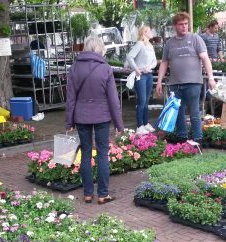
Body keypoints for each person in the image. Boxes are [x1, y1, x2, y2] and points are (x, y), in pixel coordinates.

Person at [65, 36, 124, 205]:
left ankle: (88, 193)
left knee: (85, 153)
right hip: (102, 116)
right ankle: (103, 194)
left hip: (81, 116)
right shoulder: (105, 69)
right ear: (100, 49)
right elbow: (113, 99)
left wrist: (69, 122)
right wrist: (119, 123)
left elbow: (70, 98)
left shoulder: (75, 68)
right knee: (102, 155)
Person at [155, 12, 216, 143]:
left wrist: (211, 77)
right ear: (175, 26)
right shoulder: (169, 43)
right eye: (181, 24)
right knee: (177, 113)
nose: (184, 26)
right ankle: (182, 139)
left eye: (186, 24)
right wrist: (159, 81)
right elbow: (164, 63)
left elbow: (205, 59)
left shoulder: (196, 39)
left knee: (194, 113)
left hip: (193, 83)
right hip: (175, 84)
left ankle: (198, 139)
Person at [126, 25, 157, 135]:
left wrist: (150, 67)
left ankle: (145, 123)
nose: (151, 32)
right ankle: (139, 126)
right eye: (149, 30)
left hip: (149, 75)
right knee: (142, 101)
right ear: (144, 32)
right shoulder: (140, 44)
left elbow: (155, 61)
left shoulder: (150, 45)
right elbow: (130, 57)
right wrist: (136, 69)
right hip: (141, 76)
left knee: (146, 101)